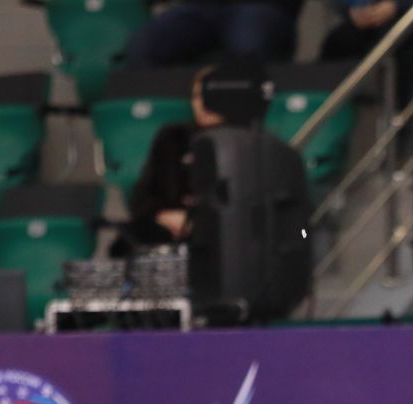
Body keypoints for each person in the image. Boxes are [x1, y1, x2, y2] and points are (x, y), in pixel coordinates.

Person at [124, 66, 226, 250]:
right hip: (168, 231)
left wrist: (197, 222)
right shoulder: (172, 138)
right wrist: (162, 215)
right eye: (196, 96)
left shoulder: (245, 144)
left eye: (211, 94)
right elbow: (142, 197)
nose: (203, 102)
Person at [125, 0, 301, 69]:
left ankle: (242, 133)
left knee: (249, 45)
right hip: (203, 6)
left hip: (260, 6)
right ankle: (162, 128)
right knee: (144, 45)